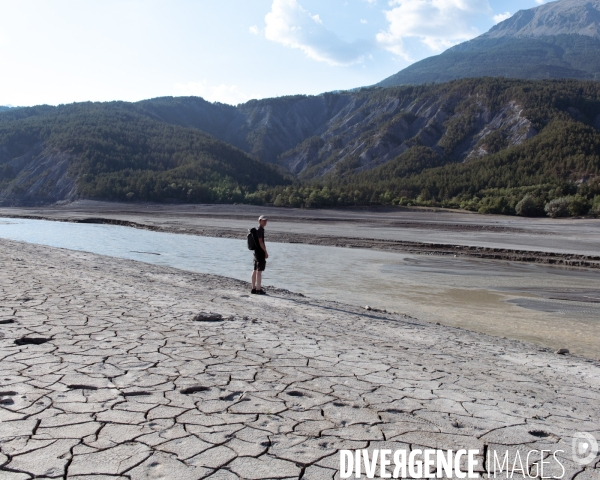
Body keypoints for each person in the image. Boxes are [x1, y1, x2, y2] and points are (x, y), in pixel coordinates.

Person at [251, 215, 269, 295]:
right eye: (263, 220)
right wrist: (265, 251)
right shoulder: (260, 230)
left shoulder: (256, 229)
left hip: (256, 252)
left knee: (255, 270)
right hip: (260, 253)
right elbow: (261, 242)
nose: (265, 222)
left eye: (266, 220)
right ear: (259, 221)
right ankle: (258, 289)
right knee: (259, 271)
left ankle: (253, 288)